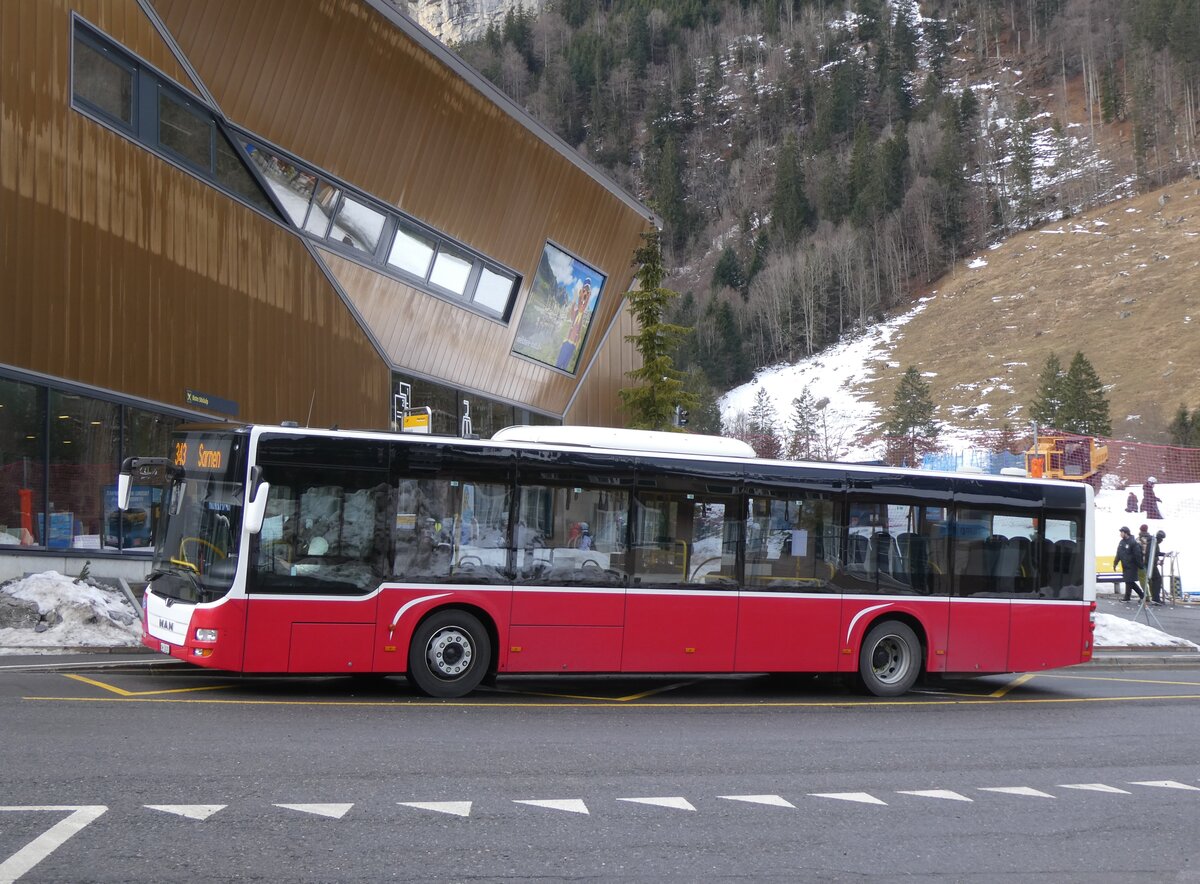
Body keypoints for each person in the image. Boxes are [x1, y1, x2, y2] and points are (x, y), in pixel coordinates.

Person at [1113, 526, 1144, 603]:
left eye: (1122, 532)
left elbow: (1137, 555)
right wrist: (1115, 563)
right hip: (1125, 566)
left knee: (1129, 581)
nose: (1120, 534)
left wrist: (1140, 565)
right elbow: (1119, 553)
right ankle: (1140, 595)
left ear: (1126, 533)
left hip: (1132, 565)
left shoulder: (1133, 542)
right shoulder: (1121, 542)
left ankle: (1128, 597)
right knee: (1129, 581)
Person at [1149, 529, 1167, 605]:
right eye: (1162, 539)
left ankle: (1155, 598)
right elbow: (1152, 554)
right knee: (1157, 580)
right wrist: (1158, 561)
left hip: (1151, 565)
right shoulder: (1154, 543)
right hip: (1151, 565)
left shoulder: (1154, 542)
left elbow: (1156, 553)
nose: (1162, 540)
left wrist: (1164, 554)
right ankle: (1156, 599)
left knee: (1155, 580)